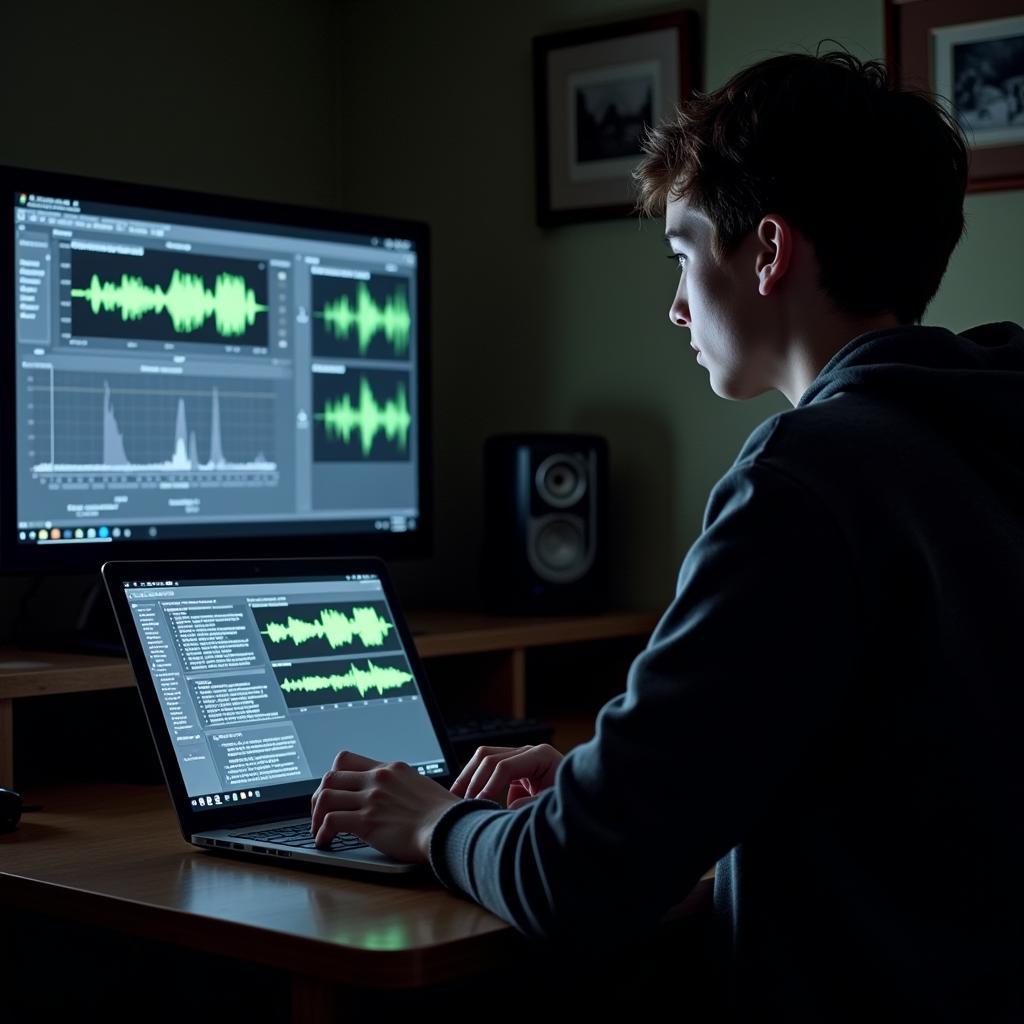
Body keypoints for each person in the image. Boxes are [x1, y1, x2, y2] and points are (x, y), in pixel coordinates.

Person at [308, 48, 1024, 1018]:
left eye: (684, 253)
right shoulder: (983, 424)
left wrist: (436, 820)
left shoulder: (805, 482)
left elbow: (574, 880)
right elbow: (899, 767)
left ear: (767, 252)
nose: (677, 306)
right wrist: (621, 774)